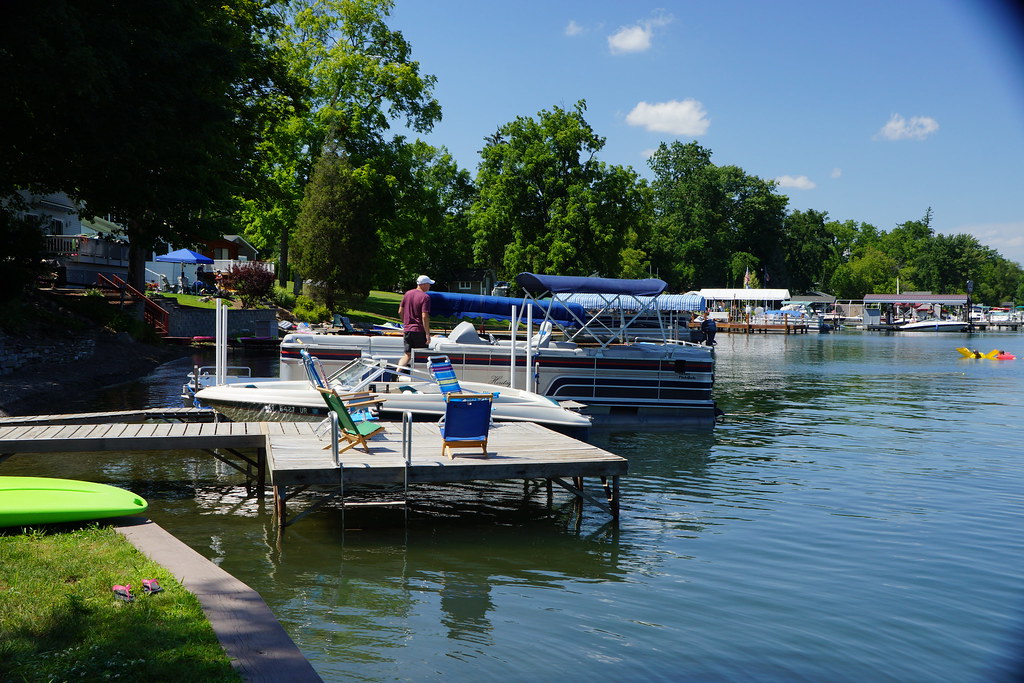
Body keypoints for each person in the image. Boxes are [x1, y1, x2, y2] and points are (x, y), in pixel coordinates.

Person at [397, 275, 434, 369]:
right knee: (421, 356)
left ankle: (396, 373)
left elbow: (400, 311)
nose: (430, 286)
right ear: (424, 284)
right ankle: (420, 379)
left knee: (407, 355)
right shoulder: (425, 297)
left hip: (407, 330)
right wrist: (427, 334)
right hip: (419, 331)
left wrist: (405, 323)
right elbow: (424, 316)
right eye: (429, 284)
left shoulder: (407, 294)